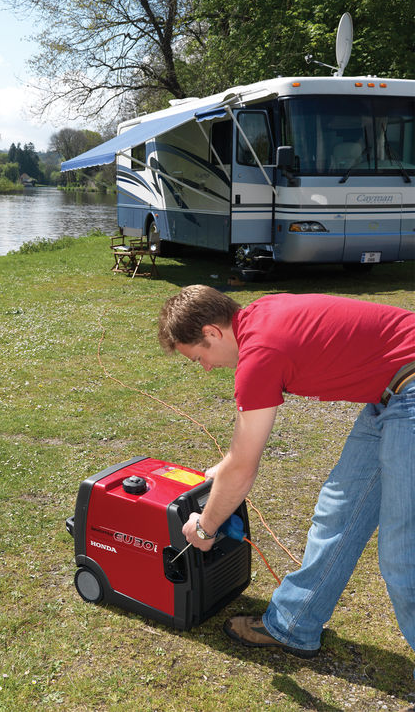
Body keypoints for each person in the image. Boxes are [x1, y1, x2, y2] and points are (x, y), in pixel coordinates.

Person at [158, 285, 415, 697]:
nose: (205, 368)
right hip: (389, 394)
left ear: (213, 332)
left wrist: (205, 530)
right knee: (341, 510)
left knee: (405, 558)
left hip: (410, 392)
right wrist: (222, 471)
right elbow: (236, 458)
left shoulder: (260, 356)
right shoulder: (261, 315)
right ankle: (295, 624)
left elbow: (244, 467)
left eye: (198, 357)